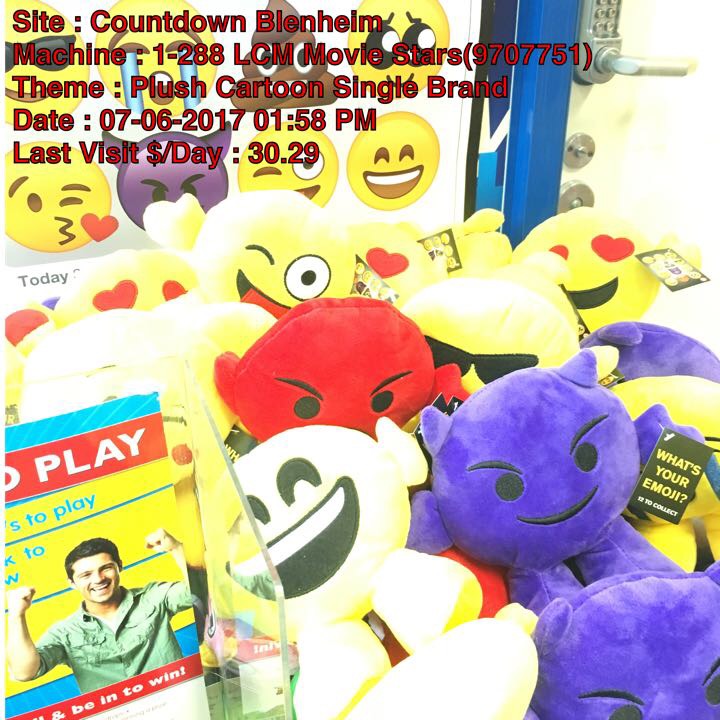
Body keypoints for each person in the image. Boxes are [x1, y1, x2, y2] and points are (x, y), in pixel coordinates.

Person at [6, 529, 193, 693]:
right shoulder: (64, 633)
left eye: (106, 568)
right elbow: (24, 672)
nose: (98, 579)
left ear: (119, 567)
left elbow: (201, 592)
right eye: (86, 575)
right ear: (72, 583)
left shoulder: (154, 597)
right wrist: (16, 615)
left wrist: (176, 548)